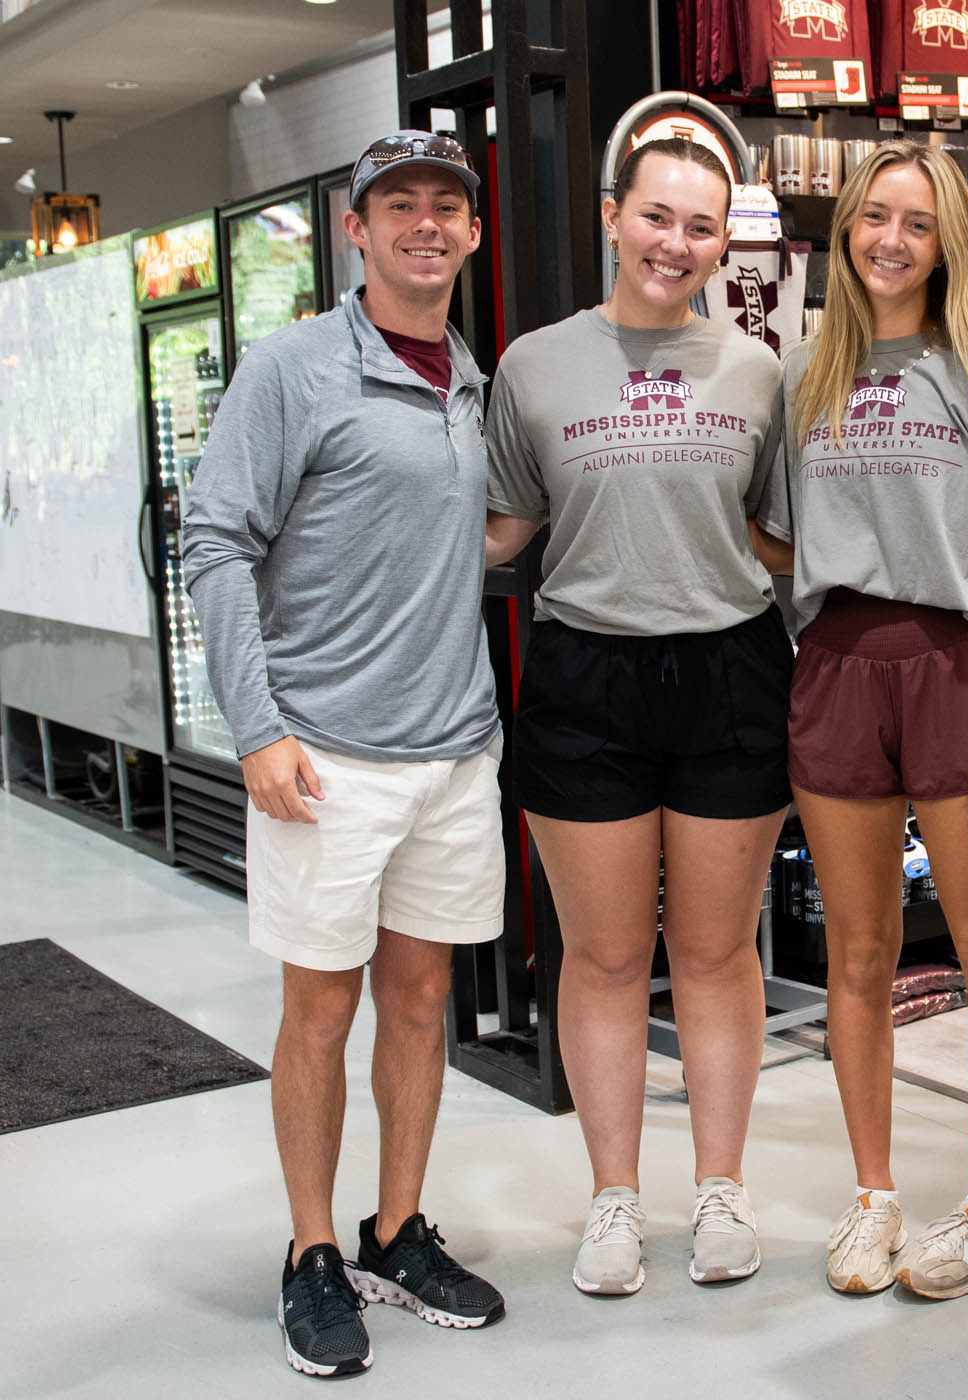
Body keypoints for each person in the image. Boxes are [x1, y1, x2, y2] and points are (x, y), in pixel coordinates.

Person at [183, 130, 507, 1380]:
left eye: (446, 206)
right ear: (355, 231)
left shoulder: (464, 377)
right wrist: (258, 726)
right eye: (397, 205)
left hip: (452, 751)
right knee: (320, 1009)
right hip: (326, 759)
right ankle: (313, 1251)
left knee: (422, 1000)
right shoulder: (294, 367)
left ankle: (394, 1229)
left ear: (473, 233)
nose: (425, 223)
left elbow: (456, 536)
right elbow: (213, 544)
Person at [756, 138, 968, 1300]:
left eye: (917, 222)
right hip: (835, 661)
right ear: (844, 230)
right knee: (858, 954)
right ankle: (872, 1195)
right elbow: (778, 538)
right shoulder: (804, 375)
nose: (891, 239)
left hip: (954, 665)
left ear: (949, 245)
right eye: (873, 216)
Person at [483, 138, 793, 1296]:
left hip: (729, 669)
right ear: (612, 218)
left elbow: (777, 537)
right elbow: (502, 530)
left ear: (725, 242)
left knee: (714, 951)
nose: (675, 244)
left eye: (700, 227)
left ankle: (720, 1186)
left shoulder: (758, 369)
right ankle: (613, 1197)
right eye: (655, 218)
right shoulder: (532, 365)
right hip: (584, 678)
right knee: (607, 955)